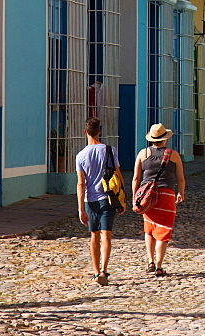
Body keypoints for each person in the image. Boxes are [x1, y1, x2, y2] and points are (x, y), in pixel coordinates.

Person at [76, 116, 123, 286]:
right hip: (109, 198)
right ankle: (104, 270)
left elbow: (81, 184)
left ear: (85, 132)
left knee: (94, 236)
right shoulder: (110, 150)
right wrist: (121, 200)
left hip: (91, 201)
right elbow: (118, 175)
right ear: (100, 132)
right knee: (106, 236)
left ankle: (96, 272)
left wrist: (81, 208)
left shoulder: (80, 156)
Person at [132, 124, 185, 277]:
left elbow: (136, 178)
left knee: (149, 229)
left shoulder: (143, 153)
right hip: (167, 195)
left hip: (148, 196)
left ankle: (150, 261)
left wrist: (136, 196)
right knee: (164, 229)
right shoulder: (173, 155)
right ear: (164, 139)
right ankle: (160, 266)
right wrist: (181, 193)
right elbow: (180, 178)